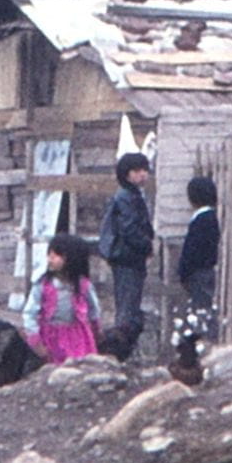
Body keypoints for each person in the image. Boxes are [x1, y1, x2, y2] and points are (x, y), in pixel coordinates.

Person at [97, 151, 156, 359]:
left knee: (129, 302)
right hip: (127, 257)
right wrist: (146, 245)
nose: (143, 175)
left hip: (130, 257)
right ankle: (119, 351)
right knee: (127, 305)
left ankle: (124, 350)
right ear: (127, 174)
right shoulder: (126, 197)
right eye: (137, 171)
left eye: (144, 170)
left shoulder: (132, 195)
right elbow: (129, 229)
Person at [22, 233, 101, 364]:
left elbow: (94, 311)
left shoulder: (83, 286)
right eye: (49, 254)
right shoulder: (43, 285)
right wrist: (35, 340)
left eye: (56, 255)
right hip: (51, 338)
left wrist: (97, 331)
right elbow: (30, 313)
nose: (50, 259)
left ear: (72, 259)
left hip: (78, 338)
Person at [172, 173, 221, 376]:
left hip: (198, 272)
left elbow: (192, 251)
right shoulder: (210, 218)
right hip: (205, 271)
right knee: (202, 306)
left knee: (200, 308)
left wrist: (183, 271)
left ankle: (203, 346)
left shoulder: (202, 220)